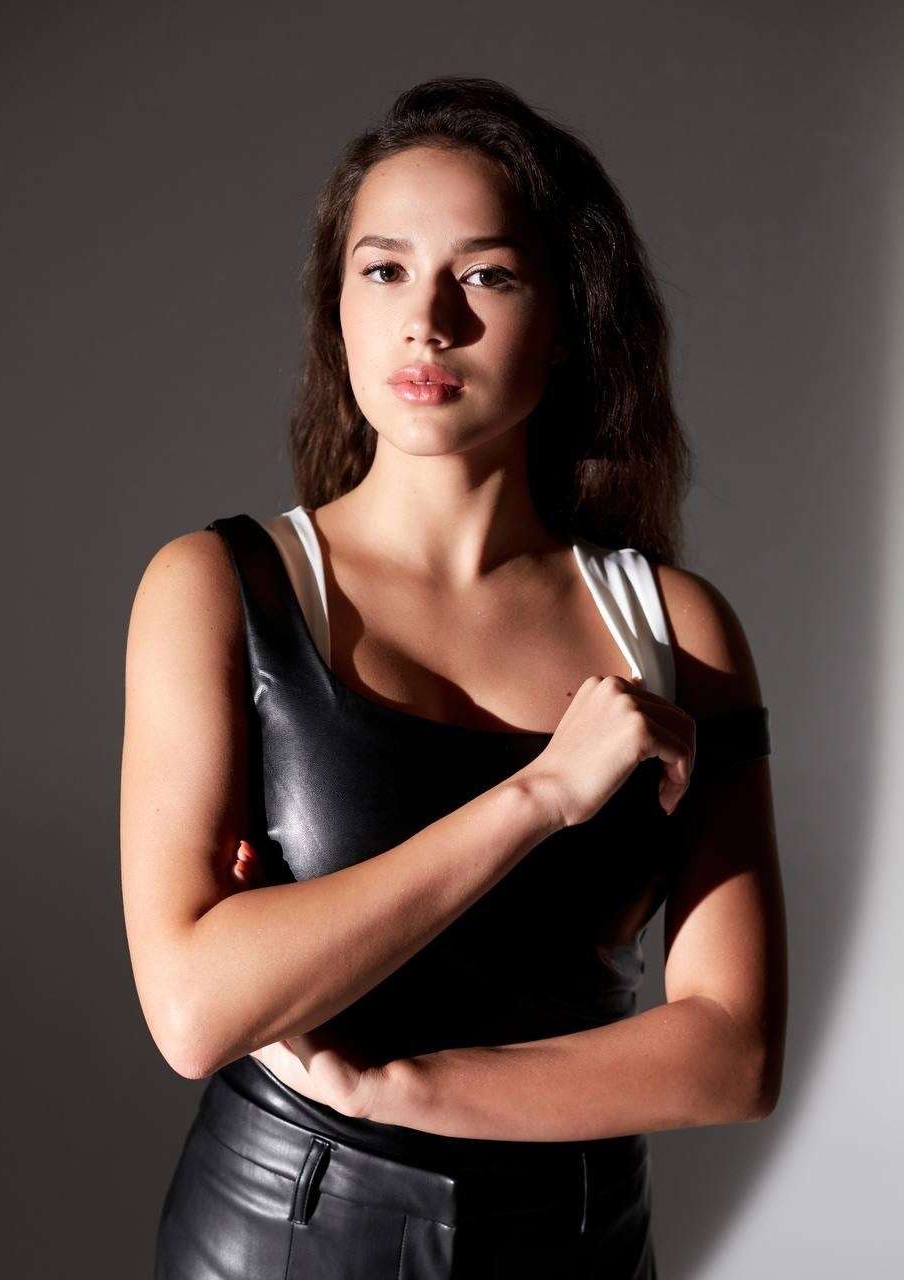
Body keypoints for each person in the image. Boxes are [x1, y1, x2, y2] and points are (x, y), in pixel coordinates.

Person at [120, 75, 787, 1279]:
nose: (426, 321)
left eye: (486, 275)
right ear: (336, 307)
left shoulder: (673, 631)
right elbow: (194, 1009)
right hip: (282, 1234)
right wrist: (539, 796)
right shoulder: (219, 589)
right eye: (383, 270)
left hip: (579, 1241)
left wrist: (399, 1084)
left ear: (570, 316)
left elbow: (732, 1054)